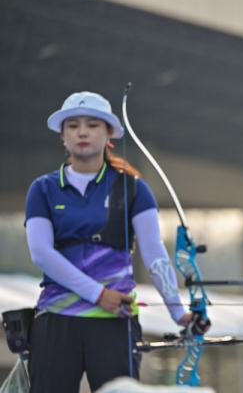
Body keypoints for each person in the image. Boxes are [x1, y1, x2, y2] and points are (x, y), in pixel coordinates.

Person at [24, 91, 195, 392]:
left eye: (92, 124)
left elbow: (154, 253)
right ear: (62, 135)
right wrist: (99, 295)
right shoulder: (43, 189)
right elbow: (41, 252)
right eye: (73, 125)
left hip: (115, 323)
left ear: (109, 135)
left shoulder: (134, 189)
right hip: (56, 321)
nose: (82, 132)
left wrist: (178, 312)